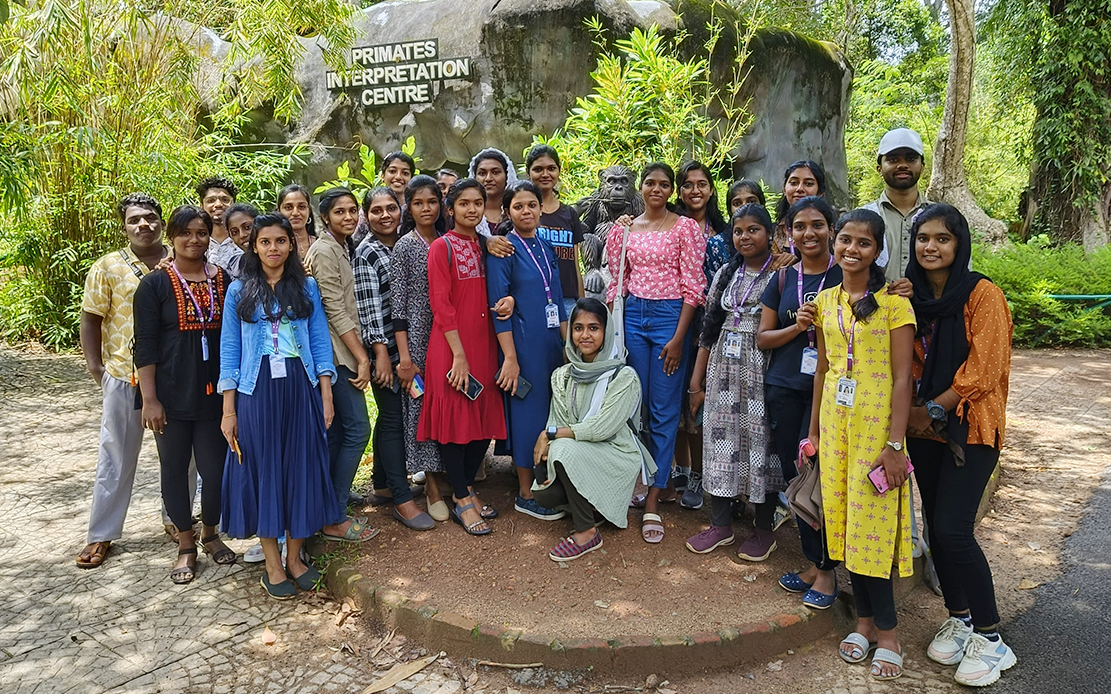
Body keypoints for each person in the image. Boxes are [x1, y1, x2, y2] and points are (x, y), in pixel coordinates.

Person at [220, 213, 374, 601]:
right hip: (256, 393)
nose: (274, 248)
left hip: (300, 387)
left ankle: (295, 557)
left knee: (303, 468)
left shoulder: (305, 287)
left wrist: (325, 393)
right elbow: (230, 351)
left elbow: (320, 342)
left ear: (291, 244)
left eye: (281, 241)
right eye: (266, 242)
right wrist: (229, 409)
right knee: (264, 472)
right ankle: (272, 563)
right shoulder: (239, 291)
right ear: (254, 246)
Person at [904, 204, 1016, 687]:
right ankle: (960, 617)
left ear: (960, 244)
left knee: (953, 529)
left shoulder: (982, 295)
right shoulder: (911, 297)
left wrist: (932, 408)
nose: (931, 247)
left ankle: (992, 639)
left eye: (942, 239)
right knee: (935, 525)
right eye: (923, 238)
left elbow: (985, 368)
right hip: (923, 430)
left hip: (970, 427)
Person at [808, 209, 916, 681]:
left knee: (873, 525)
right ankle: (865, 623)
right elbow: (824, 368)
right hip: (835, 427)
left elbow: (902, 378)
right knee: (846, 524)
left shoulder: (895, 304)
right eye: (845, 240)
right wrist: (812, 431)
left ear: (878, 251)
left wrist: (895, 443)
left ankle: (889, 635)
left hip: (877, 432)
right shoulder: (824, 300)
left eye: (863, 244)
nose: (851, 250)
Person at [606, 162, 706, 543]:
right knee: (636, 406)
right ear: (641, 187)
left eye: (665, 184)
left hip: (669, 319)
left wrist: (679, 337)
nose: (657, 189)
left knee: (664, 411)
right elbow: (618, 280)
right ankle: (635, 480)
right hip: (633, 316)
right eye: (650, 183)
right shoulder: (627, 229)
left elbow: (693, 286)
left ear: (672, 190)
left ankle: (652, 499)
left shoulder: (685, 228)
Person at [134, 205, 234, 583]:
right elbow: (145, 344)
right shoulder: (155, 284)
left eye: (201, 232)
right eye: (185, 233)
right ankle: (186, 544)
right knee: (174, 470)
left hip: (214, 393)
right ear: (171, 237)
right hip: (170, 396)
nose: (194, 240)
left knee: (216, 470)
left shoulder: (222, 280)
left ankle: (211, 533)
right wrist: (150, 399)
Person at [756, 196, 843, 607]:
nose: (809, 233)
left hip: (832, 393)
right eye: (800, 226)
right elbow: (763, 337)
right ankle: (815, 562)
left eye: (818, 225)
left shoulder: (848, 274)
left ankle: (827, 573)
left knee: (821, 474)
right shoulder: (783, 278)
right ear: (789, 232)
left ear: (831, 229)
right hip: (786, 386)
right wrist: (799, 327)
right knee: (798, 475)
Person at [76, 193, 170, 569]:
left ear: (161, 221)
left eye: (149, 217)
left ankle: (177, 519)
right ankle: (101, 534)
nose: (143, 225)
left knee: (181, 455)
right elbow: (90, 318)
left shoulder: (181, 257)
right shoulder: (107, 267)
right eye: (134, 220)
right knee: (115, 455)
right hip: (122, 373)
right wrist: (96, 368)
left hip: (175, 375)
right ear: (124, 226)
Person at [684, 204, 782, 560]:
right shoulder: (726, 272)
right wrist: (697, 383)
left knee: (762, 443)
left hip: (762, 369)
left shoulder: (782, 274)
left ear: (769, 233)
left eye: (754, 230)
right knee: (721, 442)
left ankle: (764, 529)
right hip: (723, 371)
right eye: (738, 231)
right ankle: (721, 523)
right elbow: (708, 330)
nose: (745, 237)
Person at [533, 299, 655, 561]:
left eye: (593, 328)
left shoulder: (624, 377)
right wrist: (550, 438)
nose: (585, 335)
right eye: (578, 328)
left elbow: (601, 428)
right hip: (581, 450)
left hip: (616, 454)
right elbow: (558, 418)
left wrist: (549, 435)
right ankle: (595, 508)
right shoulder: (563, 375)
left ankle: (587, 532)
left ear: (606, 332)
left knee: (563, 450)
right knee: (543, 492)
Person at [419, 178, 507, 535]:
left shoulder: (488, 246)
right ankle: (459, 498)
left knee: (481, 422)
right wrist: (458, 356)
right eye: (464, 203)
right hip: (452, 349)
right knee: (455, 426)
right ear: (450, 208)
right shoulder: (442, 248)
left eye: (477, 203)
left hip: (485, 345)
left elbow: (508, 284)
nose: (471, 209)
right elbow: (441, 305)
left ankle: (467, 488)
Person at [354, 187, 436, 530]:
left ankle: (384, 485)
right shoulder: (367, 252)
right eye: (376, 210)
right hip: (386, 351)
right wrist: (380, 356)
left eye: (391, 208)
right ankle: (403, 499)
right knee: (391, 419)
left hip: (410, 346)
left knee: (396, 415)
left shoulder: (404, 243)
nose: (385, 215)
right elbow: (370, 308)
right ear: (367, 215)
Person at [487, 180, 567, 521]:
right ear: (508, 211)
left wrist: (568, 345)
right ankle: (523, 491)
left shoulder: (545, 246)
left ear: (540, 208)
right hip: (522, 344)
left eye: (532, 205)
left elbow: (558, 299)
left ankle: (543, 478)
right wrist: (510, 358)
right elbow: (498, 307)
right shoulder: (504, 250)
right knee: (526, 413)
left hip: (550, 341)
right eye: (518, 206)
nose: (526, 211)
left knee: (550, 410)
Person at [304, 188, 377, 542]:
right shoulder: (323, 251)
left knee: (337, 434)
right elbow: (333, 309)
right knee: (358, 430)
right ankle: (333, 516)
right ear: (325, 217)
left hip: (344, 351)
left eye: (352, 211)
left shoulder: (342, 246)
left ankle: (331, 502)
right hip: (337, 355)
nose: (348, 217)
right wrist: (362, 356)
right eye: (340, 212)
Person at [672, 161, 732, 510]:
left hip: (710, 326)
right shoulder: (670, 226)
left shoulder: (724, 233)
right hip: (677, 320)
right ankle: (680, 468)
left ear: (711, 189)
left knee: (699, 398)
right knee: (674, 395)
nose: (695, 191)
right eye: (688, 185)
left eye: (702, 184)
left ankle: (698, 471)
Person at [391, 176, 451, 522]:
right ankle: (429, 484)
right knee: (421, 406)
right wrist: (405, 357)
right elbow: (398, 306)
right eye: (418, 203)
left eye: (431, 202)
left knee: (446, 402)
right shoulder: (405, 246)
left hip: (448, 334)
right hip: (416, 337)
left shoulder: (448, 240)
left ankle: (446, 474)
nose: (426, 208)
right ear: (409, 208)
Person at [864, 128, 932, 282]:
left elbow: (959, 273)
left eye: (911, 158)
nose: (902, 165)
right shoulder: (862, 218)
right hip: (874, 305)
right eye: (893, 159)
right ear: (879, 169)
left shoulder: (941, 218)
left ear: (922, 166)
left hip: (930, 306)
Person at [525, 145, 585, 317]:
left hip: (567, 300)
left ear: (559, 171)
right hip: (534, 300)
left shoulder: (569, 214)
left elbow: (575, 263)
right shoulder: (524, 214)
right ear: (529, 173)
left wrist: (582, 304)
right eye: (538, 169)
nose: (545, 174)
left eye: (551, 168)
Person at [774, 161, 827, 251]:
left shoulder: (831, 232)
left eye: (808, 184)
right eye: (794, 183)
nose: (800, 189)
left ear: (820, 192)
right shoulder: (772, 232)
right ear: (784, 189)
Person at [197, 176, 243, 277]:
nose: (218, 204)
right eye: (211, 200)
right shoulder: (195, 242)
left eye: (225, 199)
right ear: (201, 206)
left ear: (234, 204)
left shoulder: (245, 240)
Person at [468, 148, 517, 237]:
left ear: (507, 176)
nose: (488, 179)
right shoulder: (466, 212)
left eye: (495, 172)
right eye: (482, 173)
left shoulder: (519, 210)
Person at [277, 184, 317, 258]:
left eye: (301, 207)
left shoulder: (321, 245)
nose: (295, 213)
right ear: (279, 211)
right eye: (288, 207)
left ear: (309, 211)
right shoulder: (274, 248)